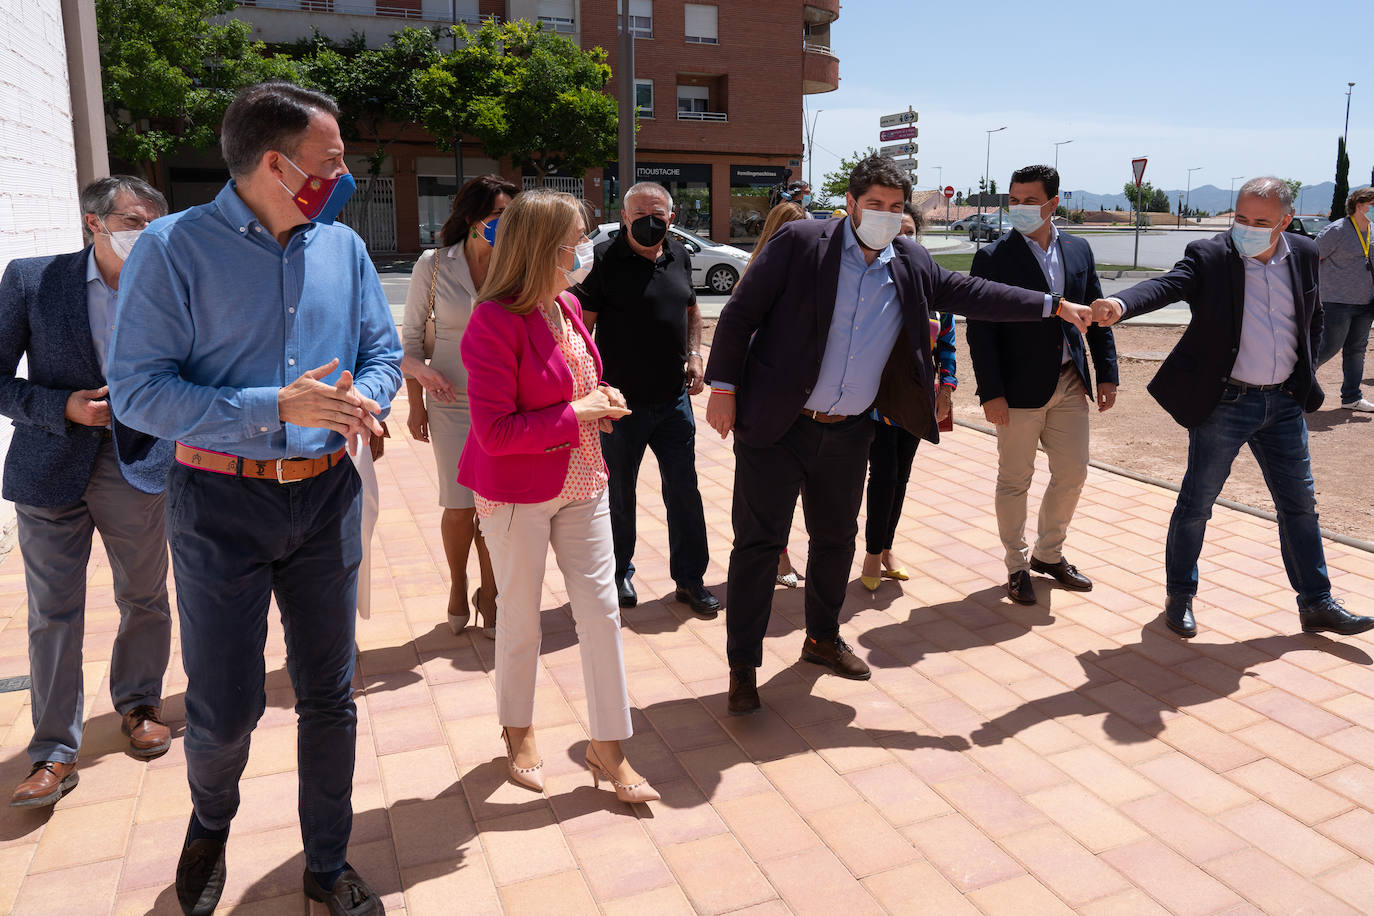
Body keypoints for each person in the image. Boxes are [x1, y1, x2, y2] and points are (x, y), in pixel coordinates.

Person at [108, 81, 402, 916]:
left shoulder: (342, 250)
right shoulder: (170, 250)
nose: (344, 172)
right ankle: (210, 823)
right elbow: (137, 394)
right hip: (217, 501)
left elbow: (378, 348)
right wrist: (274, 404)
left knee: (328, 693)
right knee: (226, 706)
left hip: (325, 500)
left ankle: (327, 860)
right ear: (277, 165)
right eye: (332, 160)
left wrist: (367, 398)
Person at [705, 155, 1095, 716]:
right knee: (759, 546)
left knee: (837, 541)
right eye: (874, 206)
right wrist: (724, 387)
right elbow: (741, 312)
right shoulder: (800, 242)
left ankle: (821, 638)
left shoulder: (910, 260)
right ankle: (743, 665)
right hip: (778, 425)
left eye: (895, 208)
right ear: (851, 204)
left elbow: (973, 293)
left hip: (849, 431)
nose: (885, 217)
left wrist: (1051, 305)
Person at [1092, 176, 1373, 640]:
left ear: (1285, 221)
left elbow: (1315, 313)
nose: (1246, 228)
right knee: (1197, 503)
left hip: (1283, 403)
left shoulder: (1303, 253)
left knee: (1300, 506)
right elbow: (1168, 285)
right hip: (1227, 402)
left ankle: (1317, 603)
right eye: (1240, 218)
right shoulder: (1212, 255)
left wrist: (1304, 365)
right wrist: (1120, 304)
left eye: (1260, 221)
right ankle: (1179, 596)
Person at [458, 189, 660, 804]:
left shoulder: (567, 305)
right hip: (517, 492)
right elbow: (495, 433)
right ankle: (518, 731)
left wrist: (602, 398)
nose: (583, 252)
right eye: (573, 243)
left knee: (601, 614)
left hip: (583, 481)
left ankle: (609, 746)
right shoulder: (492, 321)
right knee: (520, 618)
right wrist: (580, 412)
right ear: (541, 248)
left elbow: (578, 384)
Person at [0, 176, 173, 809]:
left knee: (145, 595)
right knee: (52, 610)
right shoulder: (32, 280)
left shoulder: (169, 282)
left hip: (140, 463)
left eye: (155, 221)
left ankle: (141, 705)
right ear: (92, 223)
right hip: (49, 465)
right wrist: (60, 408)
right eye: (133, 221)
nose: (146, 233)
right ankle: (52, 751)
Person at [966, 165, 1118, 605]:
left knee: (1073, 473)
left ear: (1053, 203)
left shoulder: (1078, 249)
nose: (1019, 208)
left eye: (1029, 200)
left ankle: (1048, 554)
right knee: (1015, 479)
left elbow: (1098, 314)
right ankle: (1016, 565)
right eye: (1013, 200)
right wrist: (991, 392)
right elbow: (981, 328)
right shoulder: (994, 257)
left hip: (1070, 382)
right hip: (1017, 390)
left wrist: (1107, 373)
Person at [575, 182, 719, 617]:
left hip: (675, 402)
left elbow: (692, 311)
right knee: (619, 493)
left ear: (671, 217)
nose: (648, 222)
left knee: (684, 491)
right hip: (621, 404)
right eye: (639, 214)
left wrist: (695, 354)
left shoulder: (680, 255)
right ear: (624, 217)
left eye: (657, 214)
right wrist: (592, 391)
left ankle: (690, 580)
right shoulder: (603, 262)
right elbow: (583, 330)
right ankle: (619, 573)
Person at [402, 175, 517, 636]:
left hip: (504, 402)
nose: (506, 226)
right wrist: (416, 403)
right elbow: (409, 341)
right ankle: (458, 582)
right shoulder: (433, 266)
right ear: (472, 218)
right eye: (498, 217)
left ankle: (491, 592)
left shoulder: (517, 264)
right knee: (458, 504)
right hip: (449, 401)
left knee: (495, 503)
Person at [860, 201, 959, 591]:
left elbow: (947, 343)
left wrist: (947, 388)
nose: (903, 238)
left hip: (919, 402)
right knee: (882, 477)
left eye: (909, 232)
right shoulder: (874, 282)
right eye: (896, 232)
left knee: (901, 477)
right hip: (878, 404)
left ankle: (887, 549)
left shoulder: (934, 287)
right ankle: (871, 553)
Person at [749, 201, 810, 589]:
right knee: (772, 494)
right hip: (769, 406)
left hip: (810, 407)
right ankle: (778, 555)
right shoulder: (758, 276)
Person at [1313, 187, 1374, 411]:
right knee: (1329, 347)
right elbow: (1312, 258)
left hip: (1367, 302)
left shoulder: (1373, 231)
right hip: (1337, 301)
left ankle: (1352, 398)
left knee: (1357, 350)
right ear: (1360, 205)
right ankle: (1291, 387)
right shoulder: (1336, 230)